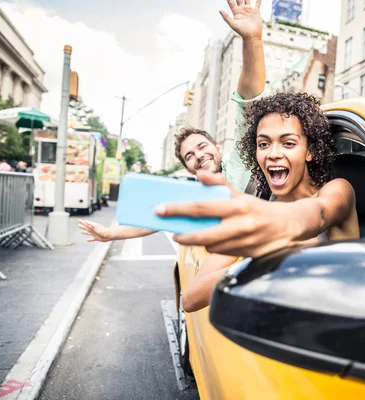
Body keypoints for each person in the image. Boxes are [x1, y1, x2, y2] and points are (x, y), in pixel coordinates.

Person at [79, 0, 266, 242]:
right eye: (189, 156)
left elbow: (249, 98)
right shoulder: (196, 193)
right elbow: (162, 218)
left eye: (201, 147)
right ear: (188, 168)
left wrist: (252, 40)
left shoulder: (240, 159)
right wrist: (110, 233)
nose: (198, 156)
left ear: (218, 146)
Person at [161, 92, 360, 312]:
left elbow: (319, 213)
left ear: (310, 151)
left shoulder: (337, 189)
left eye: (288, 143)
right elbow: (190, 299)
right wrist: (258, 262)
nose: (273, 153)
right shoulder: (257, 215)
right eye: (263, 144)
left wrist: (279, 241)